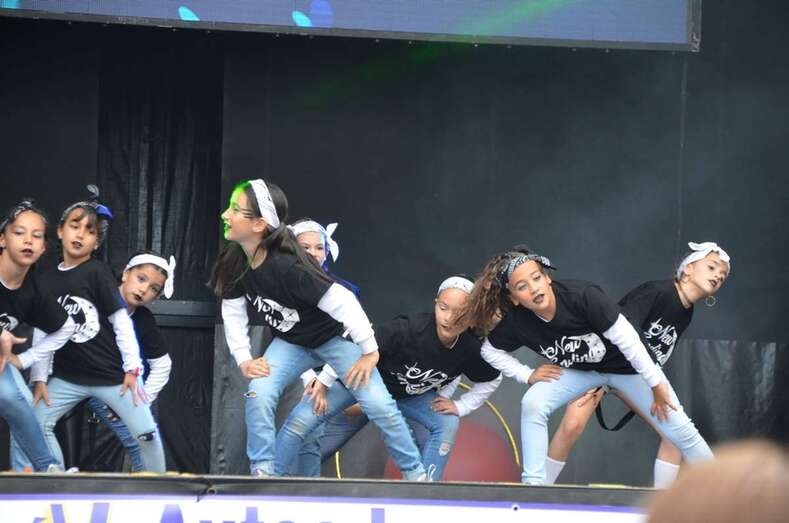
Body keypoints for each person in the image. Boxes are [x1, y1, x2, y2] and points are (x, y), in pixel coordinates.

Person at [210, 179, 425, 479]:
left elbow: (344, 301)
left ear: (259, 224)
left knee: (380, 405)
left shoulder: (289, 268)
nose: (225, 214)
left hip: (335, 340)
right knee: (259, 393)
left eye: (235, 209)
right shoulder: (235, 260)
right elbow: (232, 310)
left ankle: (416, 474)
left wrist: (370, 352)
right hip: (292, 343)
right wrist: (243, 358)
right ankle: (263, 471)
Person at [465, 249, 713, 485]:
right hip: (584, 373)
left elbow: (628, 339)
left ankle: (726, 492)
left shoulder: (582, 296)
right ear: (514, 298)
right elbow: (489, 350)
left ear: (547, 278)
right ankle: (534, 486)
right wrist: (527, 374)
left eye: (536, 278)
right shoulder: (518, 322)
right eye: (522, 287)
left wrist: (656, 383)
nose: (533, 288)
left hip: (627, 369)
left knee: (681, 430)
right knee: (533, 403)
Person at [276, 275, 502, 480]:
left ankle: (426, 493)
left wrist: (461, 406)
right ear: (436, 303)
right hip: (364, 386)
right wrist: (324, 381)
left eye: (461, 313)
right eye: (443, 308)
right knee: (304, 421)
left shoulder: (471, 348)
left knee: (446, 422)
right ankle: (273, 478)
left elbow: (492, 377)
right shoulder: (409, 329)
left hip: (408, 398)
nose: (449, 318)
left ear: (473, 315)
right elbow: (356, 343)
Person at [545, 242, 731, 487]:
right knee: (572, 425)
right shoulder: (658, 292)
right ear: (688, 269)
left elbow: (659, 353)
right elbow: (619, 326)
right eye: (712, 267)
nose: (718, 276)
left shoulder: (686, 312)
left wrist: (653, 387)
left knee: (673, 436)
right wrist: (597, 378)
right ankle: (538, 490)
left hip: (633, 376)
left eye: (723, 275)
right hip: (603, 364)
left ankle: (662, 503)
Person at [28, 188, 166, 472]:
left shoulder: (97, 272)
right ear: (60, 231)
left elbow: (122, 322)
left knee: (146, 436)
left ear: (97, 242)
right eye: (74, 226)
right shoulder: (46, 280)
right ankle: (54, 477)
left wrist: (132, 369)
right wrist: (39, 378)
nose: (80, 235)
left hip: (112, 378)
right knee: (35, 422)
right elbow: (43, 331)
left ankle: (159, 487)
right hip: (68, 377)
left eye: (89, 231)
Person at [0, 199, 76, 471]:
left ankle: (47, 470)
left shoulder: (33, 292)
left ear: (43, 248)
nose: (28, 241)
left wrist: (26, 359)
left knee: (15, 399)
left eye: (37, 235)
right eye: (19, 233)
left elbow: (66, 327)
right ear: (2, 239)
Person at [85, 250, 175, 471]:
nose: (144, 289)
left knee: (141, 439)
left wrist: (140, 401)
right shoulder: (93, 298)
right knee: (35, 419)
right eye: (141, 279)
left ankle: (151, 487)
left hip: (111, 385)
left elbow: (162, 365)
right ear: (125, 274)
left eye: (153, 288)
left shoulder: (144, 320)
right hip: (69, 375)